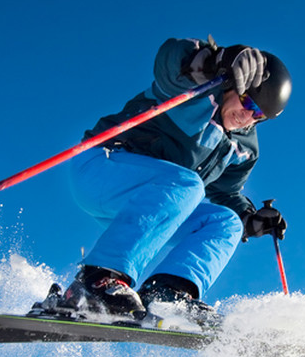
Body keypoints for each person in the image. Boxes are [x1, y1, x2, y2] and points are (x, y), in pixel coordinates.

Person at [30, 36, 291, 326]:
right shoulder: (197, 91)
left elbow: (227, 191)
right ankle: (96, 281)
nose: (247, 116)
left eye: (259, 115)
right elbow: (170, 63)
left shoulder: (244, 148)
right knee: (188, 184)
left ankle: (169, 294)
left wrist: (251, 218)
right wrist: (216, 62)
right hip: (102, 167)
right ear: (234, 86)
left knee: (224, 222)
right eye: (247, 101)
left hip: (150, 206)